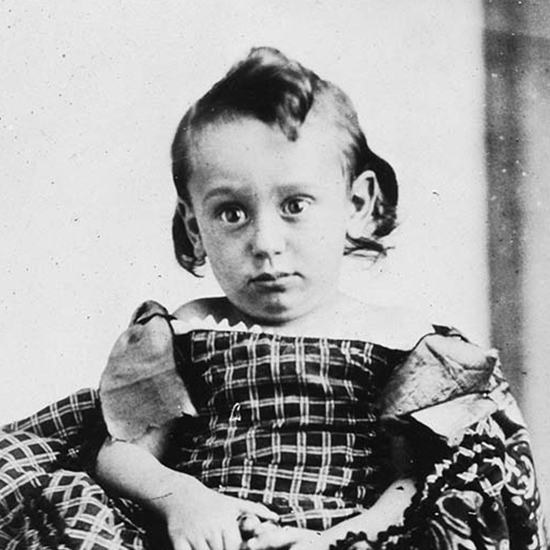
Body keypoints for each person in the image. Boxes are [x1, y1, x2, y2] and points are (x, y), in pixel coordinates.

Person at [0, 47, 546, 550]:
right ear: (194, 228)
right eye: (231, 213)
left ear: (356, 204)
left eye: (296, 205)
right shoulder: (183, 332)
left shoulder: (402, 343)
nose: (264, 243)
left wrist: (339, 540)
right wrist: (185, 501)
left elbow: (410, 481)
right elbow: (122, 453)